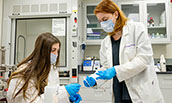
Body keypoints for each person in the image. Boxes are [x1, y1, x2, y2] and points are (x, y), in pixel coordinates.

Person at [83, 0, 165, 103]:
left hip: (140, 93)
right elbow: (107, 67)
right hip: (118, 93)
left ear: (115, 14)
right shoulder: (105, 42)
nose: (103, 24)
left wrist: (116, 70)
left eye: (105, 19)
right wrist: (94, 79)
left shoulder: (137, 29)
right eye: (100, 21)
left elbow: (143, 59)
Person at [7, 32, 82, 103]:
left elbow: (54, 96)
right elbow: (33, 101)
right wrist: (64, 92)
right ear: (42, 51)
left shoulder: (52, 70)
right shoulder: (25, 72)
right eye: (53, 50)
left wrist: (67, 98)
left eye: (57, 51)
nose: (56, 54)